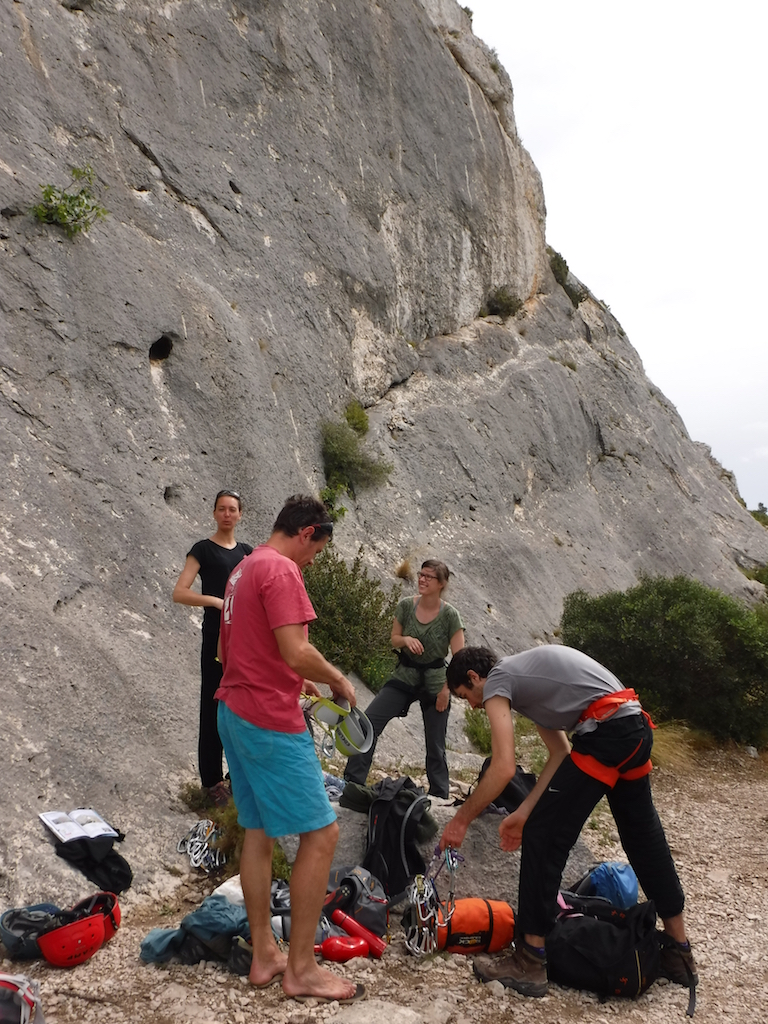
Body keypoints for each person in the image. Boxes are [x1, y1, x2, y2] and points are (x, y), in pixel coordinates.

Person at [439, 644, 698, 998]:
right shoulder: (532, 688)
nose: (471, 705)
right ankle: (677, 952)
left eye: (465, 695)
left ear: (473, 677)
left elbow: (503, 767)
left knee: (544, 837)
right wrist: (524, 812)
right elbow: (560, 753)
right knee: (643, 836)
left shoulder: (499, 678)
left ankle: (529, 961)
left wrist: (460, 820)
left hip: (608, 731)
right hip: (633, 727)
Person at [215, 494, 364, 1003]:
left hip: (232, 710)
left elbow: (229, 651)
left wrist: (295, 680)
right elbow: (296, 650)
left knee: (257, 831)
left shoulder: (244, 567)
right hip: (267, 720)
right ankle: (301, 969)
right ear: (308, 533)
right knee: (322, 834)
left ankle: (264, 954)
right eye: (316, 551)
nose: (312, 561)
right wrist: (337, 679)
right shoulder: (280, 570)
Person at [344, 560, 464, 799]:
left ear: (441, 584)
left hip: (436, 680)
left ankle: (439, 796)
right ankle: (352, 783)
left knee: (436, 744)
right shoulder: (405, 606)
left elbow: (460, 659)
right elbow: (394, 639)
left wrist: (445, 691)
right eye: (421, 574)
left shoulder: (450, 615)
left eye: (429, 577)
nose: (422, 579)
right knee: (367, 724)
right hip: (404, 675)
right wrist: (406, 640)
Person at [173, 490, 253, 806]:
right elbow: (180, 592)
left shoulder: (248, 552)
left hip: (243, 638)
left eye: (233, 509)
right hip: (216, 635)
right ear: (214, 513)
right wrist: (216, 601)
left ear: (240, 514)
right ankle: (212, 782)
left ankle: (237, 776)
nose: (227, 514)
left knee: (242, 705)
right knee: (213, 706)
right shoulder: (202, 550)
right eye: (222, 508)